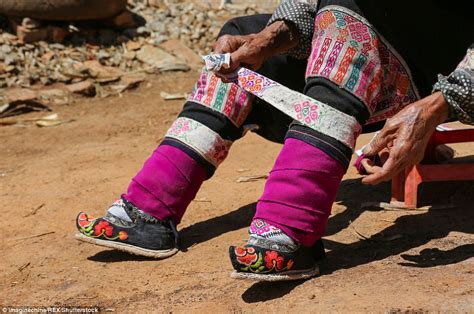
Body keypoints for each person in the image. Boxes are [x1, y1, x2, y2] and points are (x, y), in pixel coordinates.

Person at [75, 0, 473, 281]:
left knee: (345, 24)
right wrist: (270, 38)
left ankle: (292, 230)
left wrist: (438, 104)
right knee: (239, 39)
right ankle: (149, 211)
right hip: (368, 31)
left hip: (444, 65)